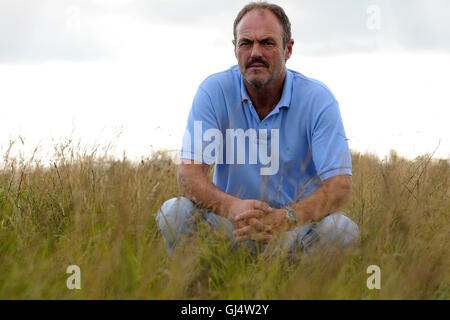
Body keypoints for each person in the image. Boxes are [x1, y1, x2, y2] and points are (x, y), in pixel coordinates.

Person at [156, 2, 359, 256]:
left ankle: (297, 292)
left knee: (342, 230)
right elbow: (188, 175)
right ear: (234, 48)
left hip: (292, 234)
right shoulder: (213, 91)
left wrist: (286, 218)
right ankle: (201, 291)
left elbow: (340, 186)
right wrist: (233, 208)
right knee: (174, 212)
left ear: (288, 49)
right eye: (246, 43)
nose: (255, 53)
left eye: (267, 43)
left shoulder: (317, 98)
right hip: (231, 228)